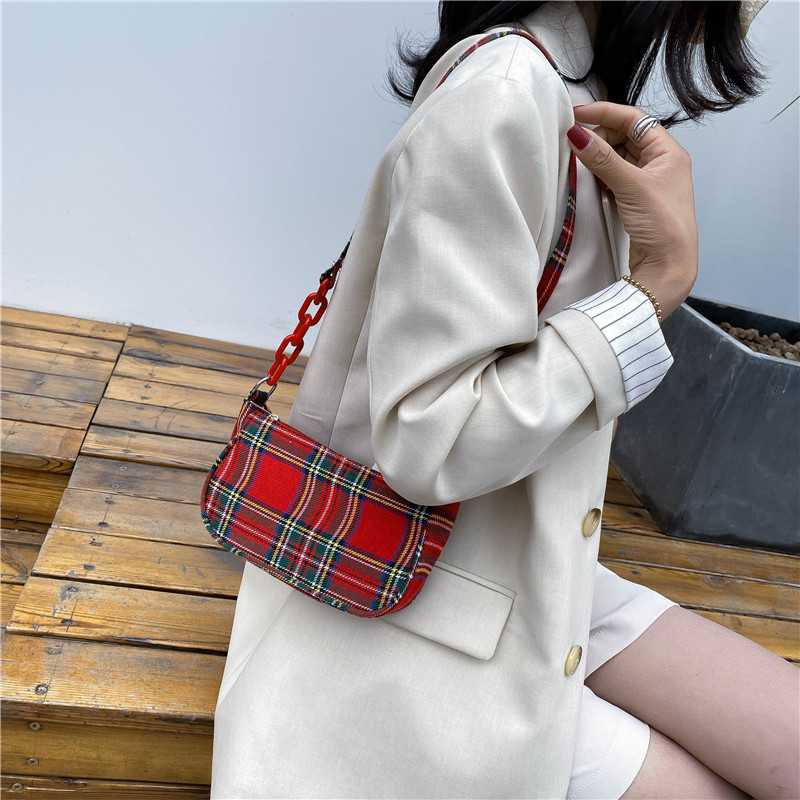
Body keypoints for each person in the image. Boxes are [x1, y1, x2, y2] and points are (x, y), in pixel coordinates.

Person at [211, 3, 799, 798]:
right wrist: (652, 289)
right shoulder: (505, 91)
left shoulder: (562, 82)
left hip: (517, 558)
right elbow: (430, 440)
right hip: (411, 599)